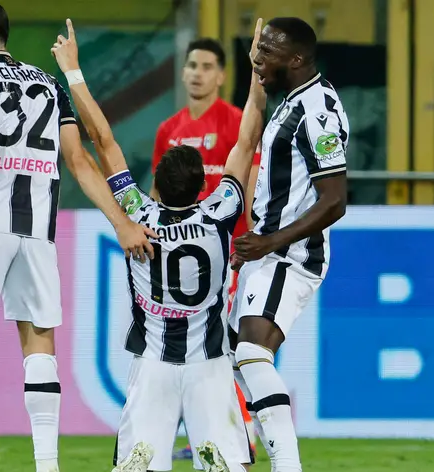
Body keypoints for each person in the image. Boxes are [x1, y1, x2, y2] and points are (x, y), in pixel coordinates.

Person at [0, 3, 155, 472]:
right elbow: (80, 162)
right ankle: (47, 465)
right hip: (37, 234)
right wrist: (121, 223)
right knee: (38, 345)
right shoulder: (48, 83)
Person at [52, 18, 266, 472]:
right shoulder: (220, 213)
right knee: (228, 466)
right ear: (201, 185)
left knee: (138, 466)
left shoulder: (139, 217)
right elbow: (247, 141)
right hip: (209, 363)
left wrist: (73, 72)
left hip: (153, 365)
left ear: (159, 187)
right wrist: (257, 73)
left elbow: (104, 142)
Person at [230, 17, 349, 472]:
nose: (258, 59)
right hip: (270, 250)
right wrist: (256, 73)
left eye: (267, 52)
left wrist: (270, 241)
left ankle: (286, 465)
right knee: (236, 360)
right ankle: (240, 455)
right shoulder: (293, 99)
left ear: (296, 59)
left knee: (251, 354)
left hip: (292, 254)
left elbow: (335, 200)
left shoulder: (315, 108)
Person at [151, 37, 261, 461]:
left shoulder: (235, 122)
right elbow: (158, 194)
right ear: (183, 72)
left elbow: (250, 187)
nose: (197, 72)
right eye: (191, 64)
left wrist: (253, 240)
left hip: (228, 253)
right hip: (183, 258)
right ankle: (211, 432)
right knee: (195, 346)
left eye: (206, 65)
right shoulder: (169, 130)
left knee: (229, 345)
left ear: (221, 75)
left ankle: (243, 431)